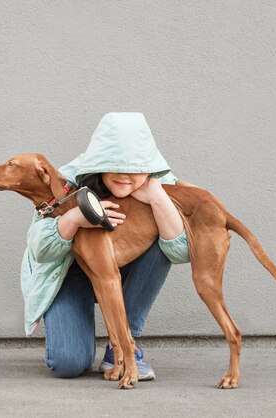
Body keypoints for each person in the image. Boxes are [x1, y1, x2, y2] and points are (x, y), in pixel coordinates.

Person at [20, 112, 191, 381]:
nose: (125, 176)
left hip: (123, 266)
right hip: (70, 275)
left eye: (134, 167)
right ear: (100, 162)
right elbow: (40, 251)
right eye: (116, 166)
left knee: (162, 243)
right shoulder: (68, 180)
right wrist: (75, 217)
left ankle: (123, 347)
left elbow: (180, 253)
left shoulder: (158, 181)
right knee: (68, 364)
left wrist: (158, 199)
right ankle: (82, 334)